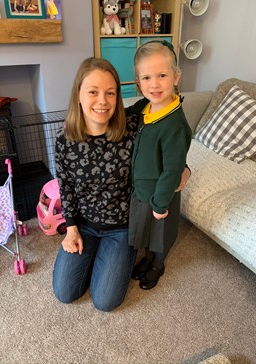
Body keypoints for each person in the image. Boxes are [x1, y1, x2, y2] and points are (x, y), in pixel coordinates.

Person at [52, 56, 190, 312]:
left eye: (110, 93)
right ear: (79, 95)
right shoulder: (64, 141)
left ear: (118, 96)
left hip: (122, 228)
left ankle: (112, 257)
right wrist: (71, 229)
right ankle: (96, 256)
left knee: (106, 301)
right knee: (65, 292)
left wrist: (185, 171)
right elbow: (66, 188)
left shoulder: (133, 128)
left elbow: (166, 151)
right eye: (93, 92)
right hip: (84, 225)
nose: (102, 101)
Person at [125, 40, 192, 290]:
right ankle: (147, 258)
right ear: (138, 83)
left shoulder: (174, 124)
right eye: (147, 78)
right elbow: (131, 112)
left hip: (161, 195)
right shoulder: (146, 106)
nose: (154, 84)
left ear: (175, 77)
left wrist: (161, 203)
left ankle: (157, 264)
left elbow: (173, 169)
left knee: (160, 233)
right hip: (142, 189)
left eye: (162, 75)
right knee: (144, 229)